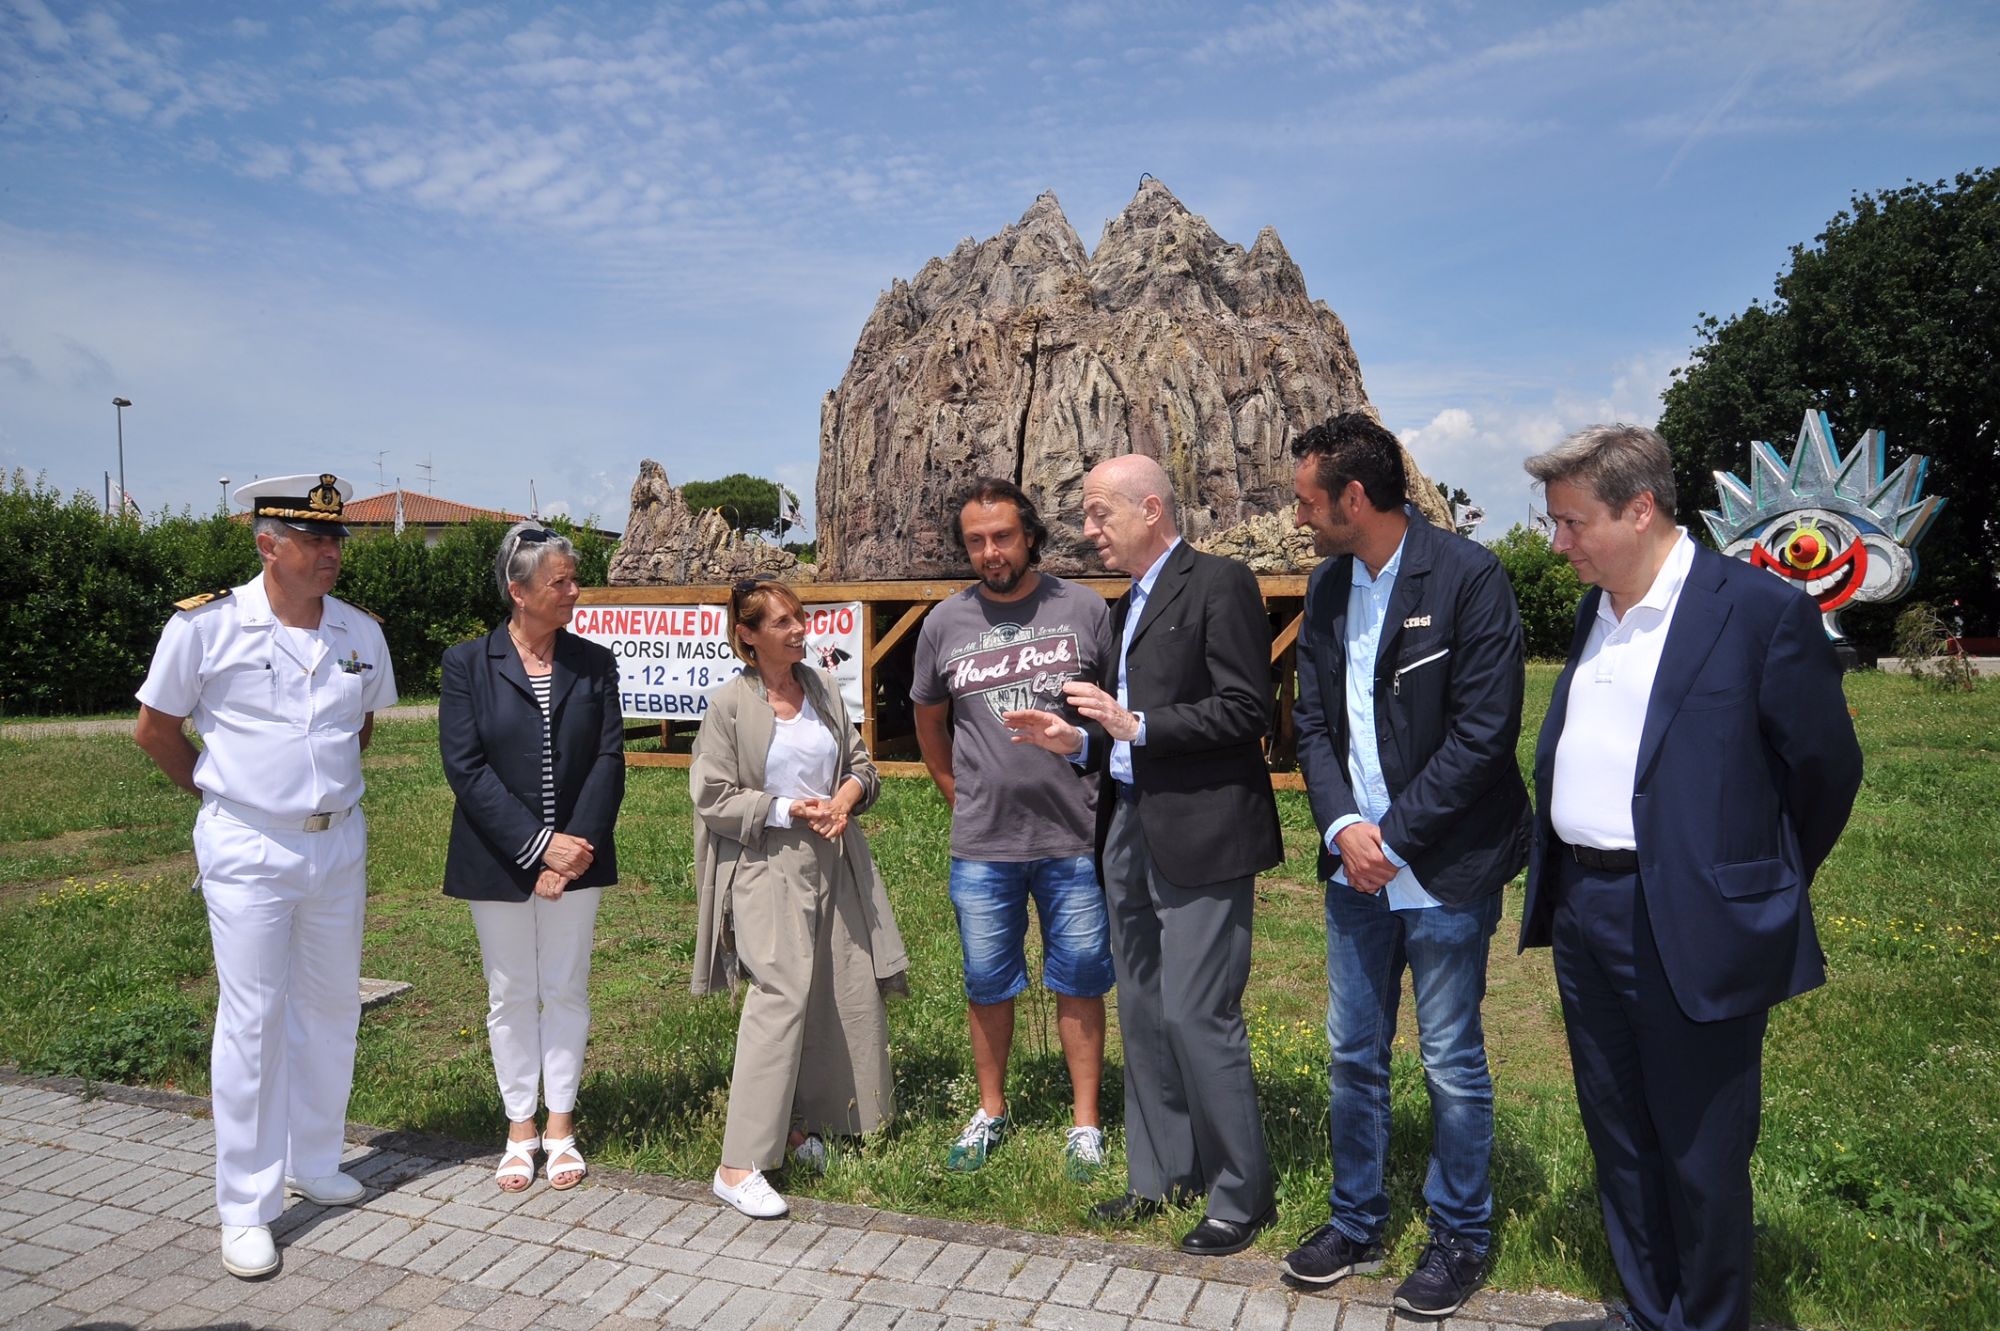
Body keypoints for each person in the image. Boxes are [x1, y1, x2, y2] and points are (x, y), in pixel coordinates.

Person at [1519, 425, 1863, 1331]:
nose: (1558, 543)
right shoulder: (1597, 607)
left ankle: (1710, 1320)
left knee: (1702, 1149)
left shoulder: (1753, 610)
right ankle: (1648, 1311)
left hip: (1692, 919)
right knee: (1621, 1136)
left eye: (1570, 522)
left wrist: (1753, 882)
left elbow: (1825, 769)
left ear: (1640, 510)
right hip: (1586, 911)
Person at [1281, 413, 1531, 1315]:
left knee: (1452, 1060)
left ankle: (1460, 1234)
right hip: (1355, 866)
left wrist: (1392, 838)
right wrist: (1345, 824)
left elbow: (1484, 733)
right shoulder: (1326, 588)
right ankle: (1358, 1218)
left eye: (1308, 498)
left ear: (1354, 496)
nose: (1298, 514)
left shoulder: (1468, 578)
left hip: (1446, 865)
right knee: (1355, 1052)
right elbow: (1310, 724)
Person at [1006, 453, 1282, 1257]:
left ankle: (1242, 1195)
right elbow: (1122, 730)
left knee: (1200, 1014)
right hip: (1128, 824)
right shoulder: (1128, 602)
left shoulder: (1219, 582)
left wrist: (1136, 727)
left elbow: (1245, 709)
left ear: (1151, 508)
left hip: (1203, 830)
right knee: (1146, 1013)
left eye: (1099, 514)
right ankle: (1161, 1176)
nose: (1088, 531)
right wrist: (1078, 739)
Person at [133, 473, 397, 1279]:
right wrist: (226, 794)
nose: (330, 553)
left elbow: (362, 726)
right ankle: (245, 1206)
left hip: (335, 843)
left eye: (337, 539)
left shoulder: (359, 631)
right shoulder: (207, 627)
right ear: (266, 544)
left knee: (328, 1005)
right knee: (251, 1021)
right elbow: (154, 729)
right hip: (247, 846)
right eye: (314, 539)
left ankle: (314, 1158)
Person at [912, 478, 1116, 1179]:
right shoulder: (943, 623)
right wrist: (955, 792)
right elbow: (929, 720)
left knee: (1081, 978)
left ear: (1029, 534)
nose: (990, 551)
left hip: (1074, 838)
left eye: (1002, 535)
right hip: (984, 845)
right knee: (987, 981)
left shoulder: (1084, 609)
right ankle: (991, 1109)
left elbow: (1115, 713)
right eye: (975, 540)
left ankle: (1084, 1121)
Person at [691, 579, 909, 1219]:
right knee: (780, 994)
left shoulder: (818, 688)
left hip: (834, 854)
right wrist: (788, 808)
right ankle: (739, 1164)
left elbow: (861, 764)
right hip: (765, 860)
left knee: (836, 987)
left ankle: (804, 1127)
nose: (797, 628)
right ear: (749, 636)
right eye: (782, 621)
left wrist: (846, 796)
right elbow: (712, 795)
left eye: (799, 617)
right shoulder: (731, 703)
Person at [439, 522, 626, 1194]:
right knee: (511, 991)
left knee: (566, 988)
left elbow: (609, 760)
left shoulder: (593, 663)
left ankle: (561, 1125)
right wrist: (538, 846)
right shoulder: (466, 665)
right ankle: (520, 1128)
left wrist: (571, 848)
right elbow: (466, 768)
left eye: (574, 579)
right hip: (499, 861)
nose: (575, 591)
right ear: (519, 592)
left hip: (579, 856)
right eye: (561, 582)